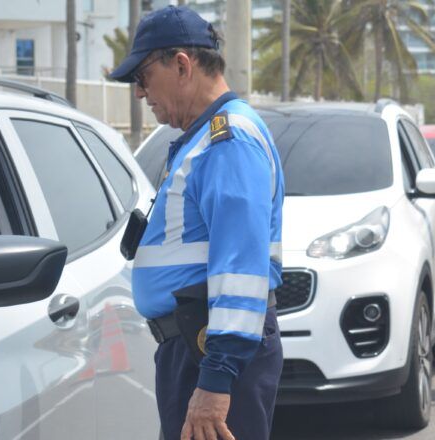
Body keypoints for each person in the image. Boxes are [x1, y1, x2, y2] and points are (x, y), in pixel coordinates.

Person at [110, 6, 284, 440]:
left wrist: (217, 377)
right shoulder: (205, 137)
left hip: (209, 348)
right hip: (195, 346)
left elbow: (240, 268)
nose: (140, 93)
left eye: (143, 77)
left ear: (182, 65)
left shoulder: (228, 141)